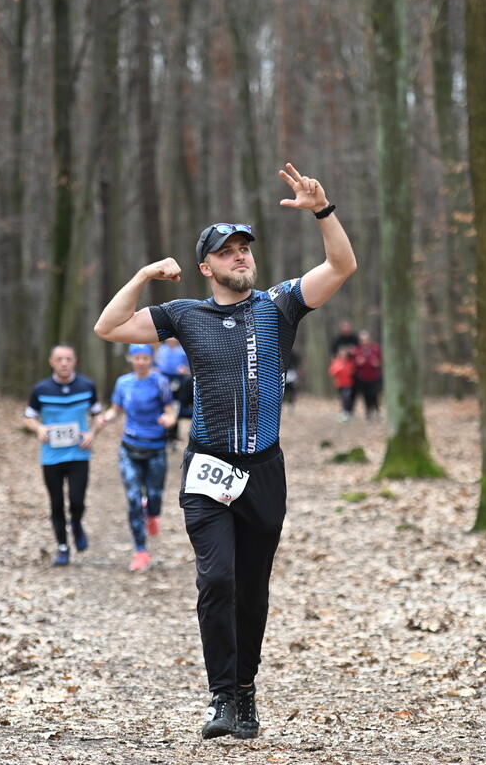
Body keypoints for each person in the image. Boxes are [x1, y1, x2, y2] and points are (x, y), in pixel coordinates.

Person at [93, 162, 356, 740]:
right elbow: (108, 327)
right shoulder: (185, 315)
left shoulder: (280, 305)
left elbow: (341, 266)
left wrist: (322, 211)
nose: (240, 257)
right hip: (208, 469)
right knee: (216, 580)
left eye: (245, 249)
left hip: (264, 471)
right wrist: (144, 274)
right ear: (206, 267)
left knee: (252, 592)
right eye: (227, 252)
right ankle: (221, 698)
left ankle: (245, 691)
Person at [97, 344, 178, 572]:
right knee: (133, 499)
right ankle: (141, 551)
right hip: (129, 447)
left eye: (145, 357)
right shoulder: (123, 383)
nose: (141, 361)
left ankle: (152, 513)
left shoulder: (160, 382)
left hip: (156, 448)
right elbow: (116, 410)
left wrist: (168, 421)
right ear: (130, 359)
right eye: (137, 357)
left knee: (155, 496)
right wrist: (106, 418)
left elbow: (170, 412)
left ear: (151, 359)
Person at [23, 344, 103, 567]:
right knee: (56, 503)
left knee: (77, 501)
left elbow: (98, 416)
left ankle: (76, 523)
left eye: (68, 359)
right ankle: (62, 547)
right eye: (59, 359)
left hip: (79, 454)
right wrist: (38, 428)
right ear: (51, 362)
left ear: (75, 361)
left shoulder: (87, 386)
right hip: (51, 456)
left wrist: (92, 433)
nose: (64, 363)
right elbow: (28, 417)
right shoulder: (41, 389)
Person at [155, 337, 192, 446]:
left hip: (179, 382)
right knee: (163, 406)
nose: (170, 340)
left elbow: (191, 367)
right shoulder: (162, 349)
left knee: (175, 408)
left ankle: (173, 435)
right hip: (164, 380)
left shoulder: (183, 351)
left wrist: (186, 370)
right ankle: (163, 433)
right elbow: (156, 364)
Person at [352, 329, 383, 420]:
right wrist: (358, 362)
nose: (365, 342)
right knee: (366, 395)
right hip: (362, 377)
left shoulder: (376, 349)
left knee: (374, 394)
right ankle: (368, 412)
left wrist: (377, 363)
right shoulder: (357, 350)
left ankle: (377, 411)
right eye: (363, 340)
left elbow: (381, 361)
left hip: (374, 376)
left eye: (366, 339)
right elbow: (354, 364)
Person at [328, 346, 356, 422]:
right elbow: (332, 372)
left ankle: (347, 412)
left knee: (347, 397)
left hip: (348, 384)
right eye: (342, 354)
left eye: (345, 354)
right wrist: (338, 369)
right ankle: (344, 412)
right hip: (339, 384)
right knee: (342, 398)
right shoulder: (336, 361)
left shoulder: (349, 362)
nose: (343, 356)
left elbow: (352, 371)